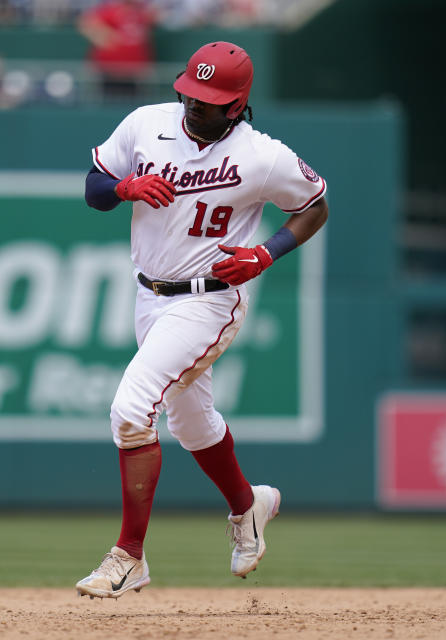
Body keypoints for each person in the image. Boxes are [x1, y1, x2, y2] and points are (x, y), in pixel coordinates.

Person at [75, 40, 329, 599]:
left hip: (209, 299)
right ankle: (249, 505)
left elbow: (314, 204)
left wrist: (266, 252)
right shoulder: (147, 122)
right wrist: (122, 188)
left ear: (236, 105)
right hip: (149, 294)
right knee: (191, 423)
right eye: (190, 93)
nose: (194, 105)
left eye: (209, 100)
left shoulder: (262, 156)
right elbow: (93, 188)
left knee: (130, 408)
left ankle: (129, 557)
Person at [77, 0, 158, 99]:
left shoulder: (142, 12)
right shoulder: (112, 11)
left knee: (131, 102)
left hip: (133, 71)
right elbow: (86, 22)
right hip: (110, 69)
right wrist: (106, 37)